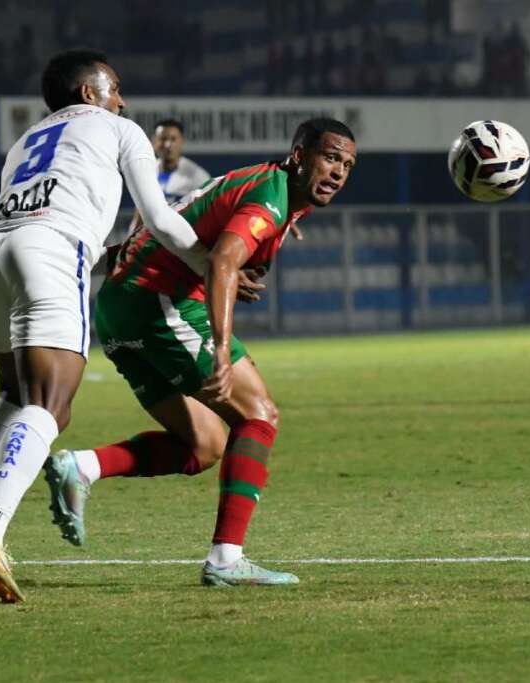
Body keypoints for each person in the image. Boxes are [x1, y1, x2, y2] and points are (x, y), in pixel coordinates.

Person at [43, 118, 356, 586]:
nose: (338, 172)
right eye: (330, 157)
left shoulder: (276, 192)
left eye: (348, 165)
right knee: (259, 414)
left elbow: (191, 233)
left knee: (205, 444)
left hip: (119, 307)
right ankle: (227, 560)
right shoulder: (269, 194)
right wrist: (223, 351)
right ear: (299, 155)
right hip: (157, 304)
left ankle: (82, 467)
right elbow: (224, 261)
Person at [0, 49, 206, 603]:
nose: (123, 99)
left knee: (13, 392)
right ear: (90, 93)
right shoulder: (119, 128)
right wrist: (211, 265)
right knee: (50, 404)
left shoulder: (27, 139)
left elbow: (41, 210)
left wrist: (100, 252)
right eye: (115, 87)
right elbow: (160, 218)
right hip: (47, 251)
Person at [152, 119, 210, 203]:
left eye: (173, 139)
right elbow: (140, 209)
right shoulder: (147, 171)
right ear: (154, 142)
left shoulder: (199, 177)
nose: (168, 145)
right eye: (163, 139)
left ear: (182, 141)